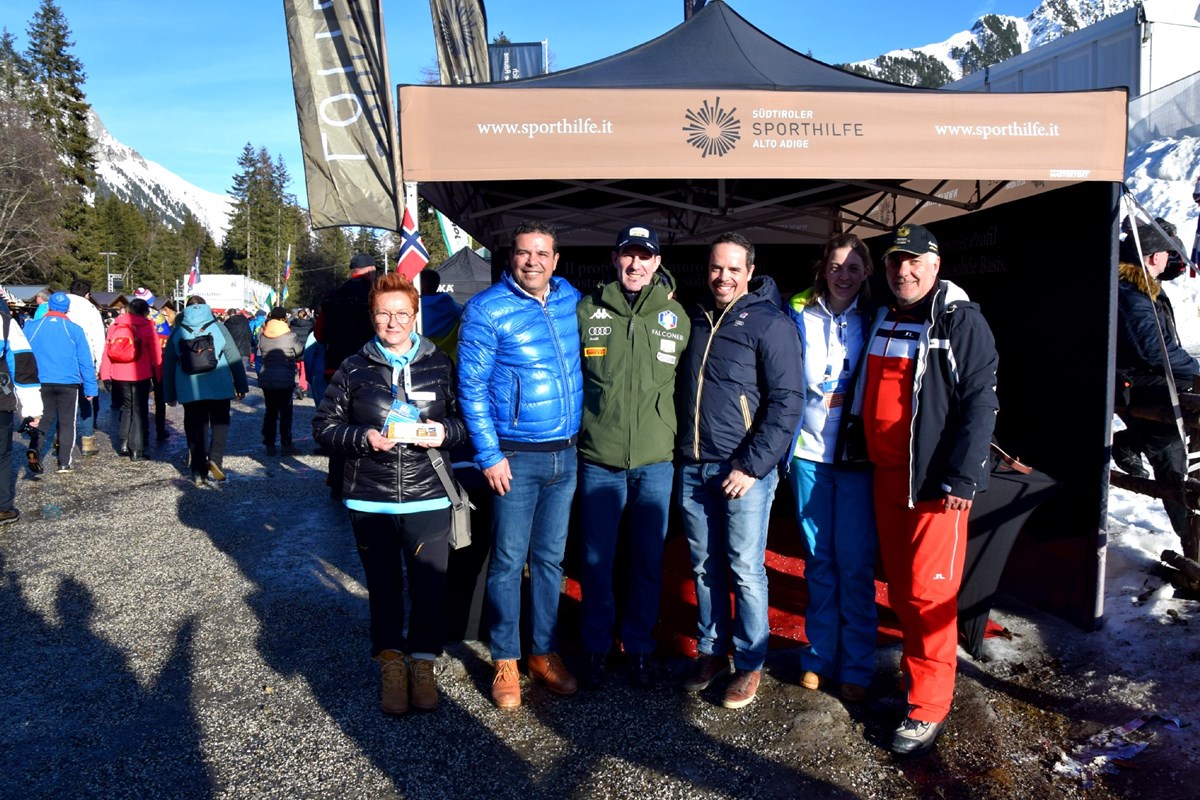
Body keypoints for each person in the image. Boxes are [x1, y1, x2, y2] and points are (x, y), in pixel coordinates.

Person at [852, 223, 998, 756]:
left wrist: (964, 476)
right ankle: (917, 681)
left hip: (934, 486)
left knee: (928, 593)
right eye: (894, 262)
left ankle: (929, 705)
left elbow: (981, 400)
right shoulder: (886, 314)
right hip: (887, 477)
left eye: (913, 261)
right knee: (901, 588)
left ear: (935, 266)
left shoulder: (959, 320)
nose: (903, 271)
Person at [313, 272, 467, 716]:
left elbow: (466, 425)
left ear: (415, 315)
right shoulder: (353, 367)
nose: (393, 322)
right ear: (372, 316)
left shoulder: (439, 364)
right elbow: (322, 428)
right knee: (382, 589)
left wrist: (444, 431)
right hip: (371, 498)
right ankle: (392, 666)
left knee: (429, 590)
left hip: (428, 495)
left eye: (402, 313)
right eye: (384, 314)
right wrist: (364, 439)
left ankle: (422, 665)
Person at [675, 232, 805, 709]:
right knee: (705, 565)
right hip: (694, 466)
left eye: (733, 268)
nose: (723, 277)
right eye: (715, 267)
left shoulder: (770, 323)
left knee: (745, 569)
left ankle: (750, 663)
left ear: (750, 271)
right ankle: (712, 651)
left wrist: (751, 465)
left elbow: (788, 402)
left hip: (743, 470)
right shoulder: (696, 316)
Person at [457, 221, 583, 710]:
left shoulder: (571, 300)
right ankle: (505, 658)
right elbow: (471, 388)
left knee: (551, 562)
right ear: (512, 257)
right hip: (514, 456)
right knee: (509, 562)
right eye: (524, 252)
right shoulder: (488, 310)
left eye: (543, 253)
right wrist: (489, 455)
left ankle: (544, 653)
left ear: (556, 260)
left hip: (566, 454)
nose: (533, 261)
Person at [575, 224, 690, 689]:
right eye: (628, 255)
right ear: (614, 258)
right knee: (597, 560)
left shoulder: (676, 317)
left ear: (657, 263)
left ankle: (639, 646)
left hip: (655, 461)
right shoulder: (586, 311)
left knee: (646, 561)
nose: (636, 264)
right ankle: (597, 647)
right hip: (599, 459)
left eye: (645, 256)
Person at [786, 233, 878, 703]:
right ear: (824, 268)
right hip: (809, 454)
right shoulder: (797, 314)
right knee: (820, 563)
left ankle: (858, 665)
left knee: (856, 565)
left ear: (866, 274)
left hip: (858, 460)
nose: (844, 275)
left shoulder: (878, 316)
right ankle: (819, 657)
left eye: (853, 268)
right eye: (836, 266)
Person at [1112, 220, 1197, 551]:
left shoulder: (1137, 287)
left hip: (1138, 380)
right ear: (1151, 257)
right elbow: (1153, 349)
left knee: (1171, 441)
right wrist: (1195, 368)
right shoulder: (1132, 294)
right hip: (1136, 383)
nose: (1170, 258)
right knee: (1170, 454)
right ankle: (1193, 542)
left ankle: (1130, 442)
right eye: (1164, 252)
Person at [162, 296, 249, 485]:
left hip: (189, 387)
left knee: (195, 426)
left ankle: (197, 469)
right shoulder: (218, 326)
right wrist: (241, 385)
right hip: (219, 382)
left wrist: (169, 394)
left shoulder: (177, 330)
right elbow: (233, 356)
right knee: (220, 422)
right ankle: (215, 460)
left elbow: (168, 364)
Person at [315, 253, 378, 494]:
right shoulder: (374, 296)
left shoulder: (331, 298)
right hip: (368, 367)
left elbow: (320, 335)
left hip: (336, 367)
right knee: (368, 423)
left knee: (338, 423)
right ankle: (362, 480)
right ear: (370, 270)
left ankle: (336, 480)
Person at [24, 292, 97, 473]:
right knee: (67, 422)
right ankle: (64, 462)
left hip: (41, 380)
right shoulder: (75, 329)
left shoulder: (32, 327)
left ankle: (35, 450)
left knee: (42, 418)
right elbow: (85, 361)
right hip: (68, 382)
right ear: (67, 310)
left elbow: (23, 355)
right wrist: (90, 387)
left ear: (48, 307)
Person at [99, 297, 162, 461]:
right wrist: (159, 376)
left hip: (119, 373)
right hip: (140, 373)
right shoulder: (147, 326)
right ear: (145, 311)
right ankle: (136, 449)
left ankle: (123, 444)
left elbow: (107, 352)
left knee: (126, 407)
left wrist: (105, 374)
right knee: (139, 410)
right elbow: (156, 354)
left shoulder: (115, 325)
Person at [0, 302, 42, 523]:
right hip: (1, 400)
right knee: (2, 456)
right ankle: (2, 507)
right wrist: (33, 410)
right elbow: (23, 369)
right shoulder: (6, 325)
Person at [64, 280, 106, 457]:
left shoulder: (59, 304)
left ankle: (61, 439)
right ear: (87, 294)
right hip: (84, 358)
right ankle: (87, 441)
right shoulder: (90, 309)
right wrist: (98, 364)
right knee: (85, 399)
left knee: (64, 402)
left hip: (62, 359)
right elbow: (98, 338)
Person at [256, 307, 303, 456]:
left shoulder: (262, 335)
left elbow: (259, 353)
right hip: (284, 379)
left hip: (267, 378)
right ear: (284, 319)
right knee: (285, 413)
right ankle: (286, 444)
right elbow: (299, 352)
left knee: (270, 412)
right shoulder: (290, 336)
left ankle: (269, 444)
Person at [417, 270, 462, 359]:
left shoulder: (416, 310)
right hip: (449, 360)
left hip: (421, 359)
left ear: (423, 287)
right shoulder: (454, 307)